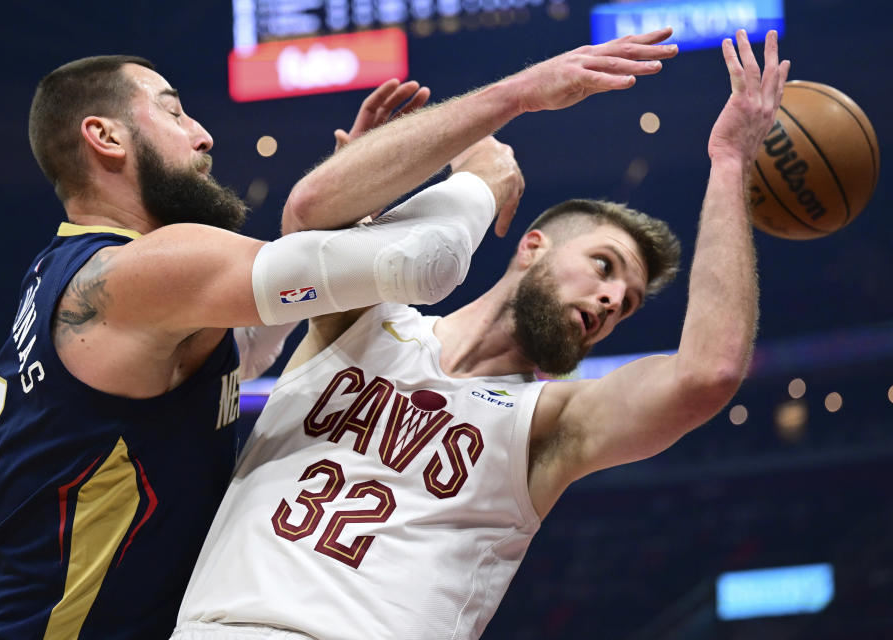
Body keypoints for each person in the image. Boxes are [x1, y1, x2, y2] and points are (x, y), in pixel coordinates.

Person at [0, 27, 679, 640]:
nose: (202, 134)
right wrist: (493, 148)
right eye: (173, 112)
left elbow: (272, 329)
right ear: (104, 136)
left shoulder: (101, 283)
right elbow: (420, 265)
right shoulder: (144, 273)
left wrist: (356, 201)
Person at [172, 29, 789, 640]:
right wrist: (518, 94)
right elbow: (308, 213)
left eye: (625, 305)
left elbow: (709, 373)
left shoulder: (551, 424)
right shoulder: (367, 320)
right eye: (603, 266)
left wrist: (730, 161)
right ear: (533, 246)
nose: (609, 301)